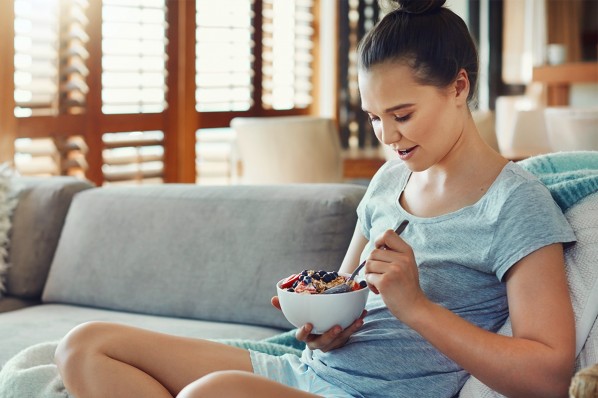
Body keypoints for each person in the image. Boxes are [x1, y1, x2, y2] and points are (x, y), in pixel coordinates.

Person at [54, 0, 577, 397]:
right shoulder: (387, 183)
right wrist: (323, 327)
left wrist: (416, 307)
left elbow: (550, 374)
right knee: (84, 345)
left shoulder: (515, 204)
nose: (388, 137)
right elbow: (344, 298)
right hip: (309, 373)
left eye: (402, 114)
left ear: (458, 86)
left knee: (210, 393)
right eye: (374, 117)